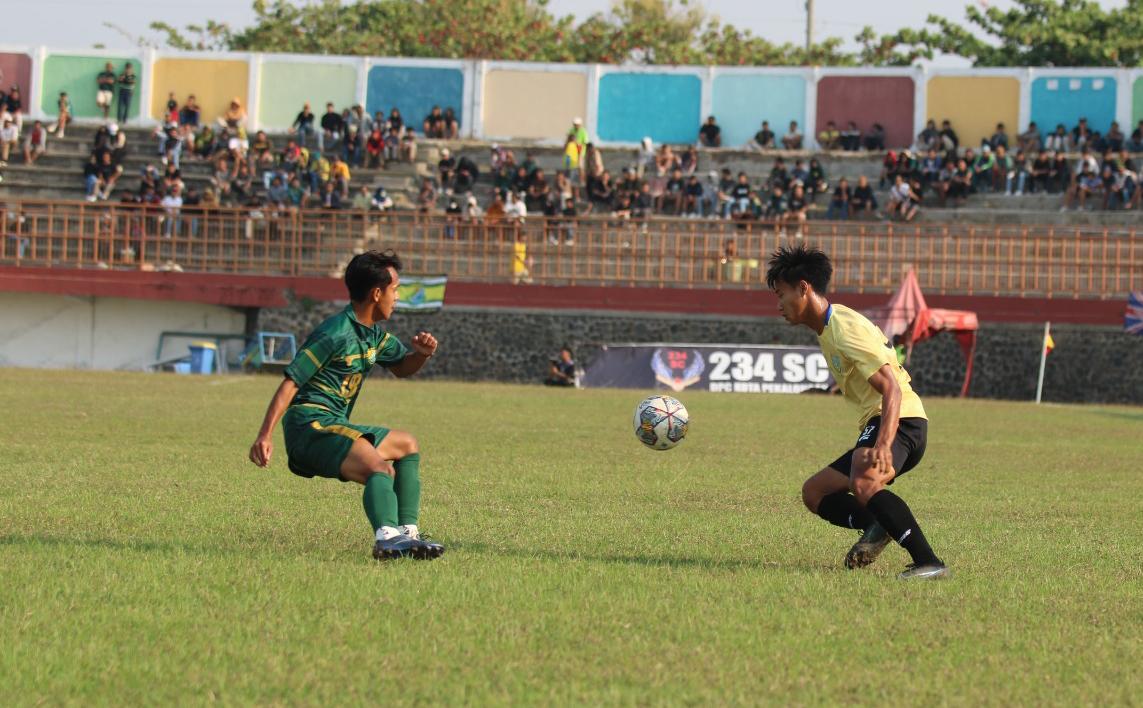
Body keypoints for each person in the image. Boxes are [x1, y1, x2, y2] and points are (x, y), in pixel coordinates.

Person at [248, 251, 446, 561]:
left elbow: (402, 367)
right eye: (395, 289)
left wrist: (421, 354)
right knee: (379, 468)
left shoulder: (373, 336)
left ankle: (408, 535)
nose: (397, 297)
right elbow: (291, 382)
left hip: (333, 424)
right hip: (309, 426)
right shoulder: (335, 332)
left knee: (406, 444)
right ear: (377, 293)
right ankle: (387, 538)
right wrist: (264, 435)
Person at [766, 244, 948, 580]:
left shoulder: (843, 328)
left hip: (900, 419)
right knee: (815, 492)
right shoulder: (829, 328)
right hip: (887, 419)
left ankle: (928, 562)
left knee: (864, 479)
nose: (779, 304)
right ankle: (878, 525)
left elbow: (891, 386)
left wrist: (884, 444)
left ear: (803, 288)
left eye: (781, 294)